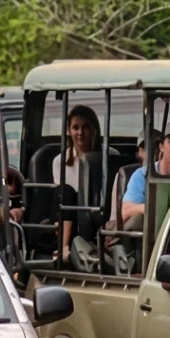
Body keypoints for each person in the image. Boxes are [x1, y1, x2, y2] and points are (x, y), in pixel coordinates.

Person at [52, 105, 119, 264]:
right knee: (66, 192)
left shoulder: (110, 155)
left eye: (86, 127)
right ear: (68, 131)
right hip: (70, 214)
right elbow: (61, 195)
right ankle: (64, 246)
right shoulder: (59, 161)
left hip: (99, 210)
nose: (80, 133)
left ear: (94, 130)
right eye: (75, 127)